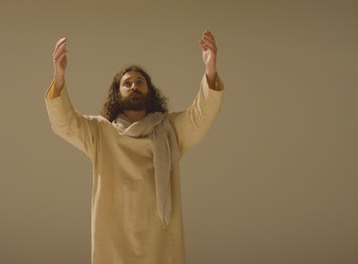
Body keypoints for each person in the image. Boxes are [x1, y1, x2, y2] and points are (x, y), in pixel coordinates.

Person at [44, 30, 224, 264]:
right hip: (114, 237)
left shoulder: (170, 128)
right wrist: (58, 79)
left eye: (140, 82)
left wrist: (210, 72)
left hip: (159, 237)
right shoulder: (101, 132)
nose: (134, 86)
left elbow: (201, 117)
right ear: (117, 94)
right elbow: (64, 123)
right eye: (126, 83)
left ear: (149, 91)